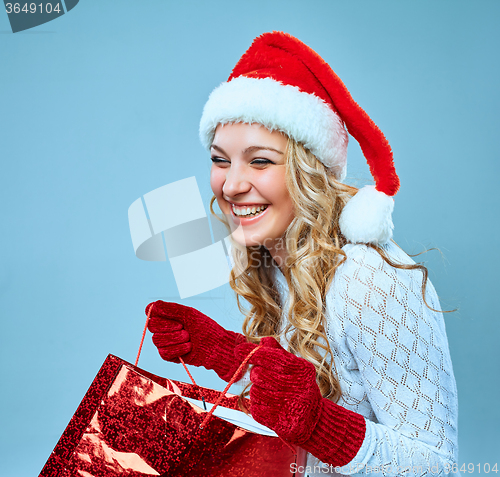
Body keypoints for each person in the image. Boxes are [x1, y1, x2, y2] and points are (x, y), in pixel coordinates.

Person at [146, 32, 459, 476]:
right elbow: (294, 421)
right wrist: (230, 355)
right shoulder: (275, 261)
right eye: (221, 160)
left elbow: (438, 466)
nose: (231, 185)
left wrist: (318, 424)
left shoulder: (368, 279)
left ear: (308, 169)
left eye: (259, 162)